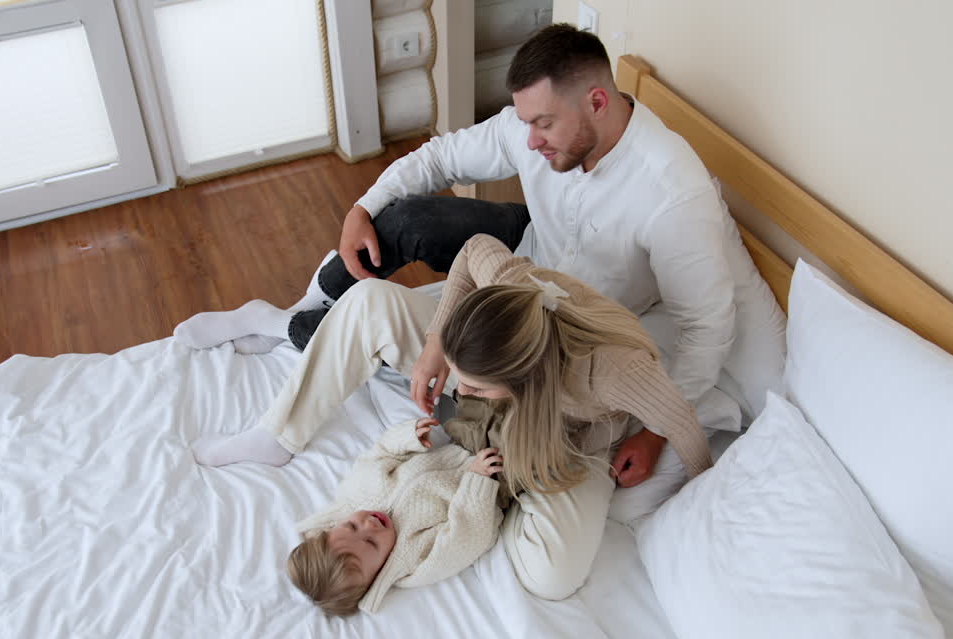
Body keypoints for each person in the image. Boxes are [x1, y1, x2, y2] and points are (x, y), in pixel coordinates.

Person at [175, 23, 751, 486]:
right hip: (509, 289)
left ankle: (281, 326)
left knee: (523, 455)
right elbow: (442, 158)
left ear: (597, 102)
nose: (529, 142)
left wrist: (654, 432)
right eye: (525, 122)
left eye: (543, 124)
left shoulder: (674, 194)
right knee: (377, 283)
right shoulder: (539, 131)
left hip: (568, 348)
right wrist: (361, 206)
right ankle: (277, 430)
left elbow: (706, 328)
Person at [215, 235, 712, 600]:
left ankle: (515, 487)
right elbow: (474, 248)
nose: (461, 390)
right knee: (370, 299)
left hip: (572, 426)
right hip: (502, 390)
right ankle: (278, 432)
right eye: (461, 380)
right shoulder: (510, 286)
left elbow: (683, 423)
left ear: (517, 381)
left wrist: (650, 438)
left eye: (471, 387)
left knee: (552, 575)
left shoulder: (609, 373)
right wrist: (436, 348)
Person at [288, 417, 506, 617]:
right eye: (371, 542)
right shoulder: (413, 561)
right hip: (496, 475)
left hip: (462, 437)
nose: (369, 524)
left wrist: (408, 438)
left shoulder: (355, 493)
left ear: (333, 527)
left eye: (352, 526)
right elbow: (468, 537)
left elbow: (381, 453)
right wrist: (478, 480)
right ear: (377, 576)